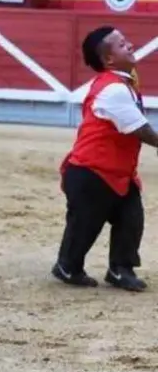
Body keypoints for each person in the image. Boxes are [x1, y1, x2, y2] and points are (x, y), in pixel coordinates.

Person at [52, 26, 153, 293]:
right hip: (90, 173)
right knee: (85, 223)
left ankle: (120, 269)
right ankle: (67, 266)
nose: (130, 45)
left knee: (131, 219)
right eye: (122, 44)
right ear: (108, 60)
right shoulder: (114, 90)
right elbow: (141, 130)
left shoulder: (123, 82)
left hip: (115, 169)